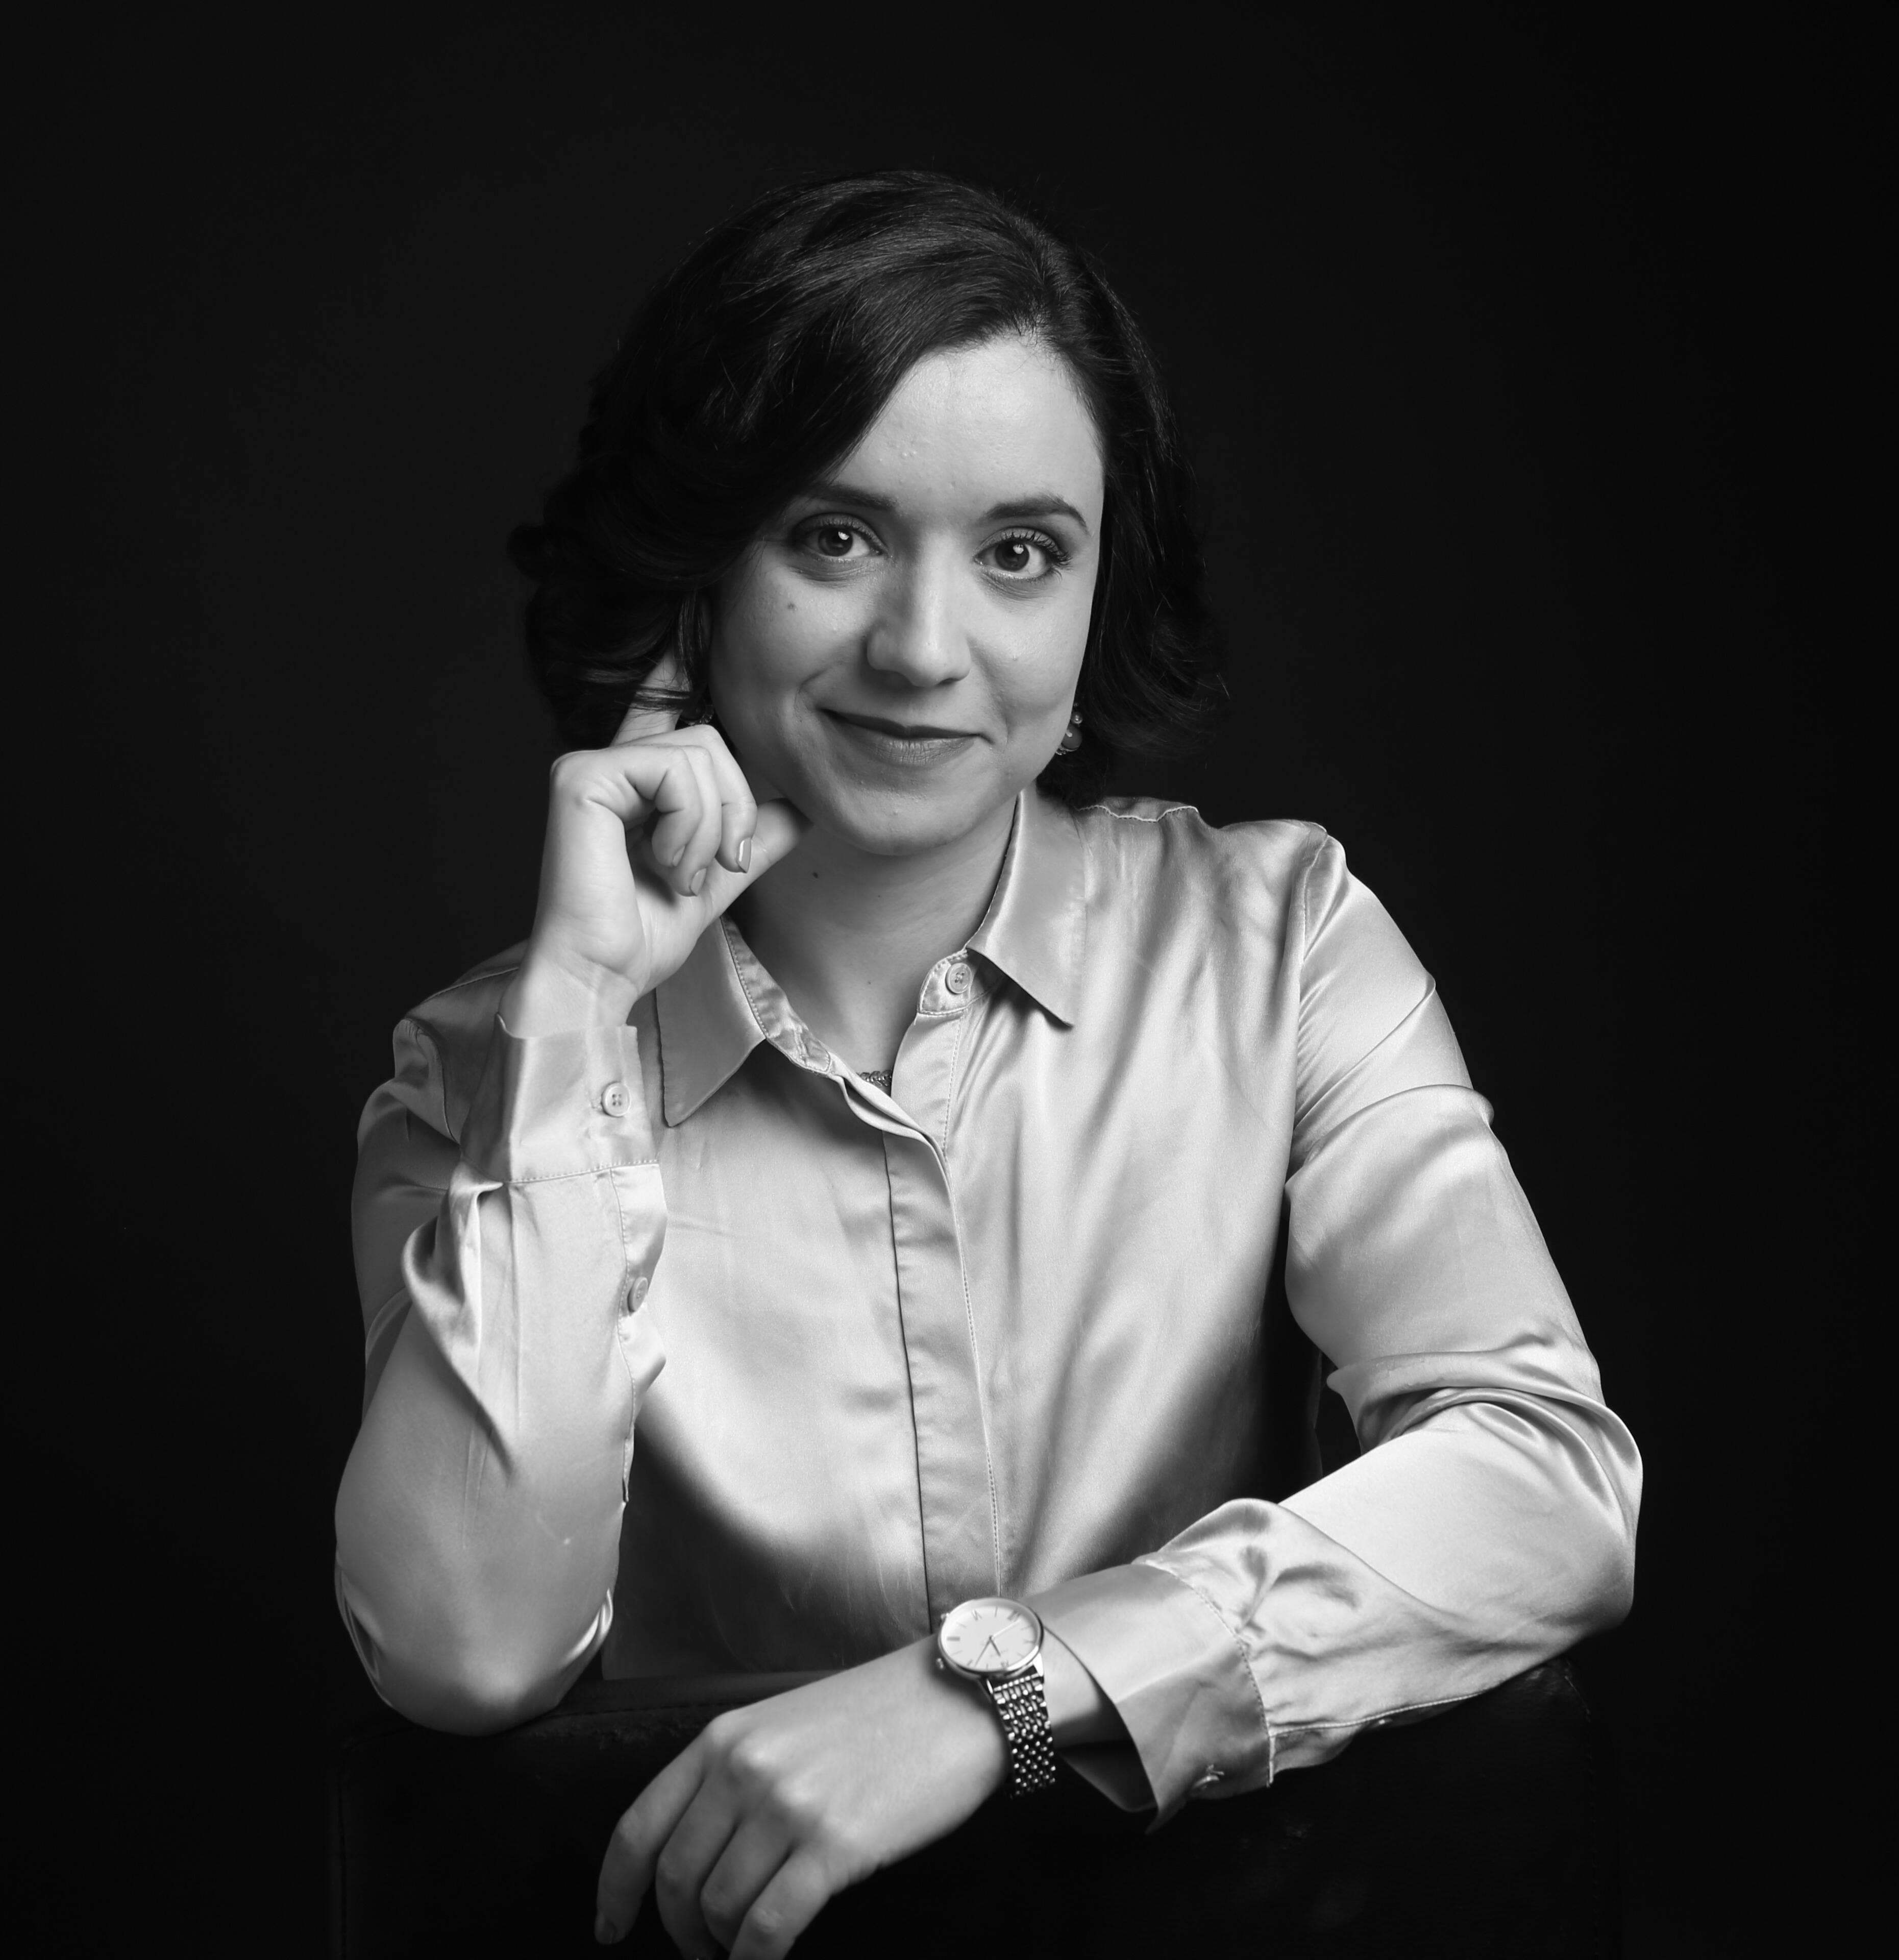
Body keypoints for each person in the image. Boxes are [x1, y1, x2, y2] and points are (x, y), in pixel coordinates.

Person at [334, 170, 1641, 1958]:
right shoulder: (482, 1071)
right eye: (833, 537)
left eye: (1020, 553)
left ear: (1098, 605)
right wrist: (574, 1019)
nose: (924, 648)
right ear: (695, 578)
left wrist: (998, 1692)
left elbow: (1546, 1482)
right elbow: (462, 1653)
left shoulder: (1285, 950)